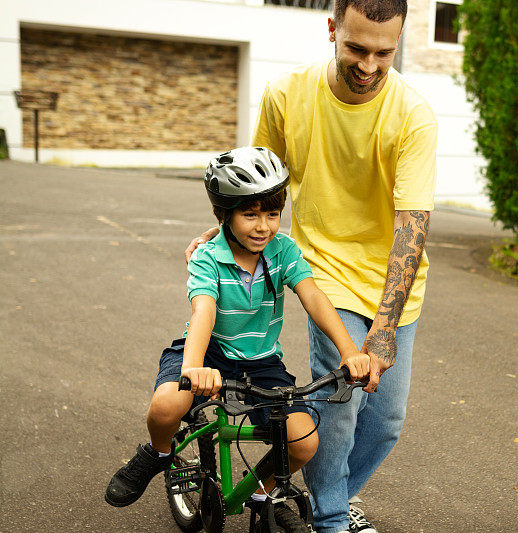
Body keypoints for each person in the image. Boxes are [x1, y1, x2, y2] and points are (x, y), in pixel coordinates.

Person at [185, 1, 436, 531]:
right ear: (332, 30)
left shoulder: (413, 116)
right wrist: (226, 229)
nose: (369, 65)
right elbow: (259, 181)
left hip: (395, 285)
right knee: (340, 408)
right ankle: (330, 521)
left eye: (384, 53)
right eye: (357, 48)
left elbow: (412, 227)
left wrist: (386, 329)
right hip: (322, 270)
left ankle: (335, 496)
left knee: (386, 421)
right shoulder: (287, 95)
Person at [105, 146, 370, 509]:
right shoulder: (208, 256)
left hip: (260, 362)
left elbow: (313, 297)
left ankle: (257, 490)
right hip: (207, 351)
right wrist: (194, 366)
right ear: (223, 214)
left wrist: (350, 351)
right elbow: (203, 310)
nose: (264, 226)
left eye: (273, 214)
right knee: (167, 406)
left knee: (304, 441)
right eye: (250, 214)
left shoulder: (283, 251)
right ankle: (159, 453)